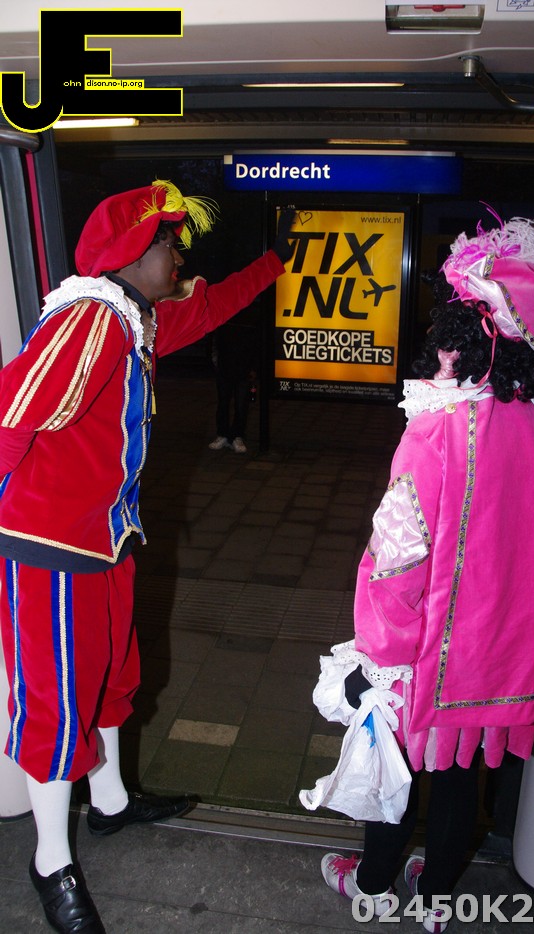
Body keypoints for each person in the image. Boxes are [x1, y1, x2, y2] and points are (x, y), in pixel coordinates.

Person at [0, 179, 295, 933]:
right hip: (51, 545)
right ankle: (50, 861)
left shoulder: (133, 319)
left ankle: (109, 803)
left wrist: (272, 263)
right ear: (135, 251)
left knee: (108, 674)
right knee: (57, 698)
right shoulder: (91, 321)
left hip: (105, 537)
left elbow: (211, 307)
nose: (179, 257)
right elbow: (10, 412)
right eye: (169, 243)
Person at [318, 215, 534, 931]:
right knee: (459, 776)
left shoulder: (439, 428)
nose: (442, 352)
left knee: (398, 767)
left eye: (453, 334)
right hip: (506, 654)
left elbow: (397, 554)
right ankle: (437, 897)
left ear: (474, 342)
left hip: (434, 647)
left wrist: (378, 654)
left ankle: (372, 884)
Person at [208, 301, 261, 454]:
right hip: (225, 365)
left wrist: (254, 367)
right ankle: (223, 434)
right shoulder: (224, 313)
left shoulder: (251, 315)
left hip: (244, 367)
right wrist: (215, 362)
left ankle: (237, 435)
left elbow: (257, 344)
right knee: (223, 402)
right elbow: (214, 340)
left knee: (241, 403)